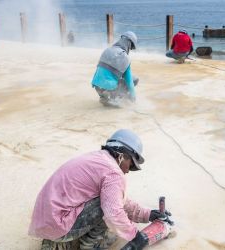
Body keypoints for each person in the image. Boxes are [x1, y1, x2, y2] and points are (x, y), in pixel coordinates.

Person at [29, 129, 170, 250]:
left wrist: (147, 214)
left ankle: (60, 239)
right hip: (58, 224)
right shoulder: (113, 172)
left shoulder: (97, 159)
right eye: (131, 165)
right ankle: (89, 246)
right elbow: (113, 212)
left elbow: (119, 199)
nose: (128, 171)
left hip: (46, 221)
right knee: (108, 209)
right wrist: (136, 236)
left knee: (108, 203)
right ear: (122, 155)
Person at [91, 31, 139, 107]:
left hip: (97, 86)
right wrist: (134, 99)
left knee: (112, 78)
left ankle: (104, 96)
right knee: (135, 79)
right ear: (129, 43)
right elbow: (130, 82)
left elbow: (99, 70)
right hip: (109, 88)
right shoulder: (124, 57)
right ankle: (114, 99)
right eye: (131, 47)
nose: (130, 49)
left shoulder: (107, 50)